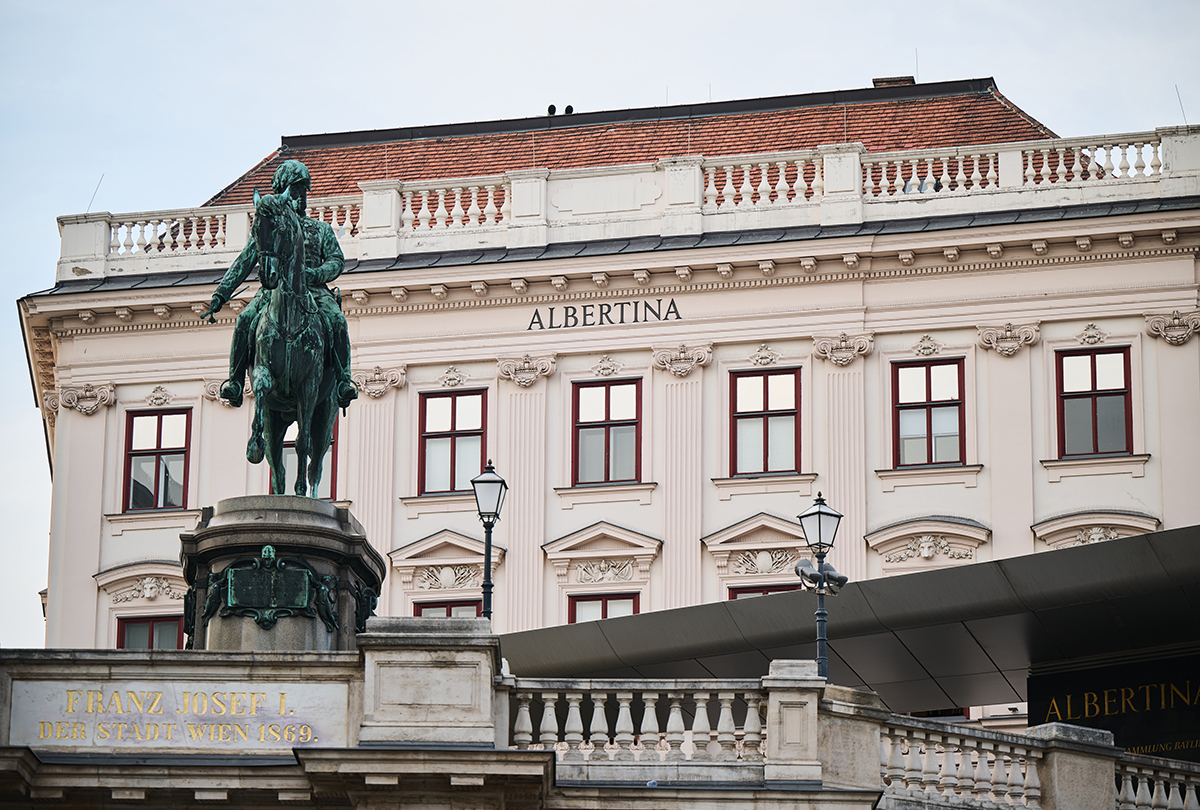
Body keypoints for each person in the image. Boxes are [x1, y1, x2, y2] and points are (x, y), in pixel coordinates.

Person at [201, 160, 358, 409]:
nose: (300, 196)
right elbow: (243, 262)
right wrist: (221, 295)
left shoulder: (320, 229)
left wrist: (314, 274)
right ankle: (235, 382)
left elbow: (337, 261)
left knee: (337, 320)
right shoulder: (270, 227)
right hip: (272, 293)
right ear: (282, 190)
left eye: (303, 190)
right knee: (244, 320)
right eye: (295, 189)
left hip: (314, 293)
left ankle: (342, 381)